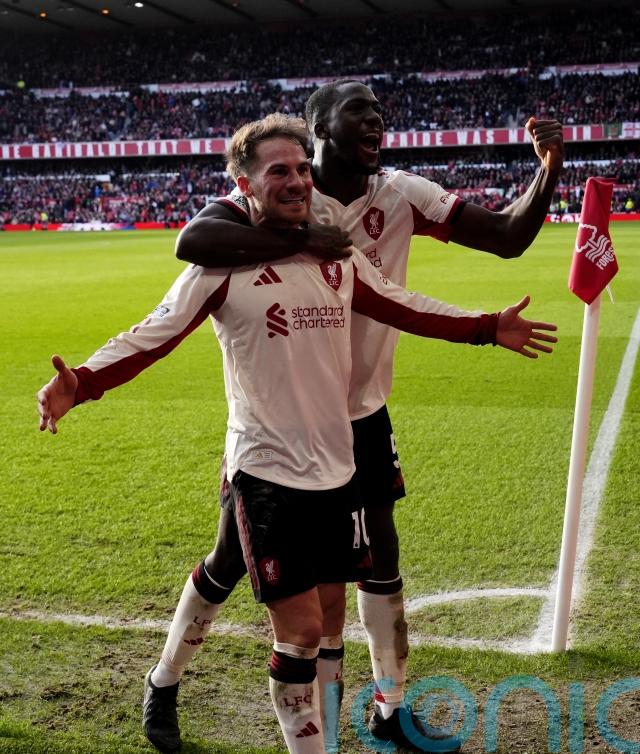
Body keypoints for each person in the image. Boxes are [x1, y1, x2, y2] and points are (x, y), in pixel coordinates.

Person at [37, 115, 556, 754]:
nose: (296, 181)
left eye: (303, 169)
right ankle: (169, 683)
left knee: (315, 610)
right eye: (278, 171)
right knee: (303, 629)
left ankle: (241, 707)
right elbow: (154, 333)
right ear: (244, 184)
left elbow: (404, 304)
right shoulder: (220, 264)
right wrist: (83, 382)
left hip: (337, 468)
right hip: (264, 468)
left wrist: (486, 327)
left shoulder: (335, 255)